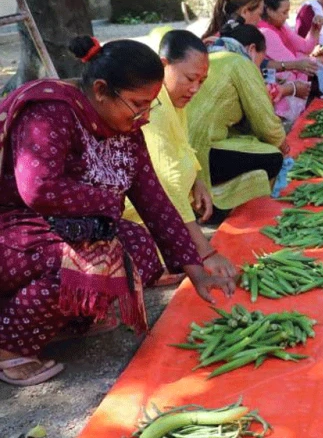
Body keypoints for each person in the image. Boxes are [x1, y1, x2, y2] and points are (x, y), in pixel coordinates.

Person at [0, 37, 234, 386]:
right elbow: (38, 188)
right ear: (100, 90)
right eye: (137, 104)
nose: (144, 116)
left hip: (65, 224)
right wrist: (107, 202)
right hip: (14, 225)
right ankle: (9, 345)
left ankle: (69, 319)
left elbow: (153, 199)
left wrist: (195, 267)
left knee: (139, 248)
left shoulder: (125, 127)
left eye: (149, 106)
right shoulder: (51, 113)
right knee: (91, 264)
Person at [123, 30, 237, 279]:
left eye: (202, 82)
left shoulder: (172, 99)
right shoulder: (153, 105)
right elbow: (167, 183)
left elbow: (182, 146)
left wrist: (197, 181)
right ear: (164, 66)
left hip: (163, 208)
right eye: (190, 78)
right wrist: (205, 251)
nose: (195, 88)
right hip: (136, 215)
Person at [186, 22, 288, 214]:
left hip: (183, 149)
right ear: (251, 50)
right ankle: (218, 202)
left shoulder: (210, 57)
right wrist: (283, 144)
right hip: (203, 150)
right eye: (260, 60)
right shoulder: (240, 63)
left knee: (248, 142)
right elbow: (265, 123)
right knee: (273, 157)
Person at [258, 0, 322, 116]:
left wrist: (315, 28)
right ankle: (284, 112)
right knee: (295, 67)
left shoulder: (282, 27)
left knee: (302, 56)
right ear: (270, 11)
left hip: (288, 82)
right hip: (274, 86)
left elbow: (306, 47)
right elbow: (293, 63)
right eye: (284, 12)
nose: (287, 17)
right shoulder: (265, 33)